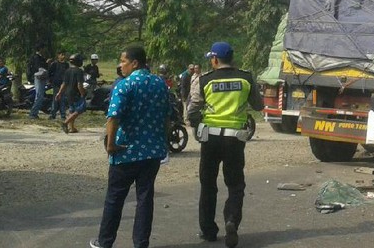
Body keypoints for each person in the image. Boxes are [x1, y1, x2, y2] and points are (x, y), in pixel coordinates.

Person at [90, 46, 170, 248]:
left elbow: (113, 118)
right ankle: (141, 243)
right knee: (145, 199)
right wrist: (162, 142)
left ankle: (105, 242)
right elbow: (167, 117)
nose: (120, 65)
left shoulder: (125, 85)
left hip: (125, 151)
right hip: (152, 153)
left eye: (123, 61)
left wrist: (110, 145)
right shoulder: (160, 84)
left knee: (115, 199)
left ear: (135, 63)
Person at [188, 42, 264, 247]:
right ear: (232, 58)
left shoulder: (205, 80)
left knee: (208, 184)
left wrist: (198, 126)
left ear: (214, 59)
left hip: (210, 139)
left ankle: (208, 231)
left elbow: (192, 111)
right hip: (235, 139)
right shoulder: (246, 77)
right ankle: (231, 220)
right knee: (235, 184)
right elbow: (259, 105)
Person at [56, 54, 86, 134]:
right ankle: (65, 123)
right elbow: (79, 85)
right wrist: (83, 93)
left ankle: (71, 128)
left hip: (68, 93)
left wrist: (59, 93)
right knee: (80, 108)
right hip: (76, 93)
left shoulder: (67, 70)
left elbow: (64, 84)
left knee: (72, 110)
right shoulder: (79, 71)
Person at [27, 43, 48, 119]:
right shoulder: (37, 58)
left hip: (40, 77)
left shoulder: (39, 57)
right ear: (41, 49)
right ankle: (33, 113)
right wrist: (46, 63)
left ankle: (34, 112)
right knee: (39, 96)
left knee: (39, 95)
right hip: (38, 77)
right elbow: (38, 67)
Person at [48, 51, 69, 120]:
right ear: (58, 55)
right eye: (62, 55)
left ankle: (63, 115)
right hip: (56, 84)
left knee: (63, 99)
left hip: (63, 84)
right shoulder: (54, 64)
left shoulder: (66, 64)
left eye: (64, 55)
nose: (63, 56)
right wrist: (51, 81)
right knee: (55, 99)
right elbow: (50, 73)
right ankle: (53, 114)